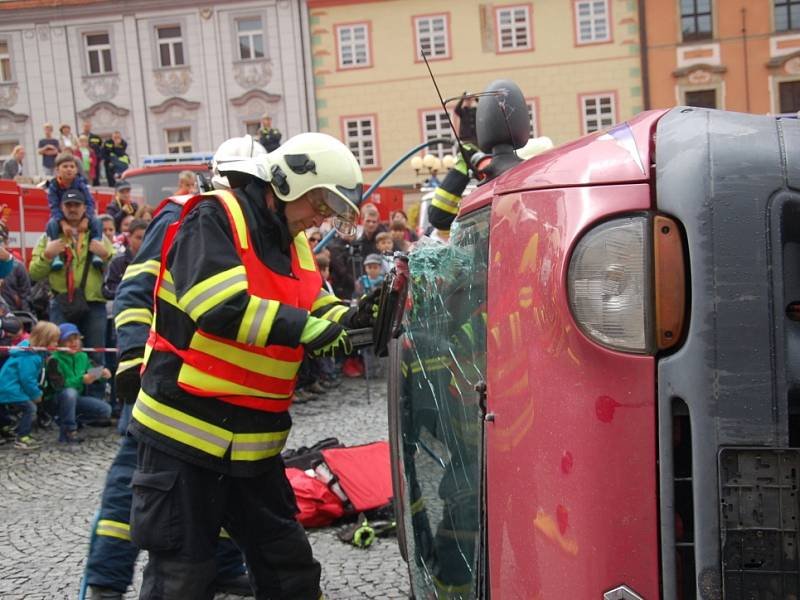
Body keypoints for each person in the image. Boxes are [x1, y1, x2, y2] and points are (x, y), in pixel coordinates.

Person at [128, 132, 377, 599]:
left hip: (254, 448)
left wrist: (358, 319)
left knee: (291, 575)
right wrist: (307, 330)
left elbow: (318, 306)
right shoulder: (214, 216)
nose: (322, 216)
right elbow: (218, 304)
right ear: (287, 182)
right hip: (183, 437)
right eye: (321, 201)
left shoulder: (295, 242)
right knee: (180, 581)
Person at [83, 135, 273, 599]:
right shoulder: (185, 212)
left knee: (222, 481)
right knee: (133, 488)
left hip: (216, 386)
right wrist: (132, 361)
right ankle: (105, 585)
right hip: (162, 382)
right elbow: (134, 292)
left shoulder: (257, 228)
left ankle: (225, 567)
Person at [29, 187, 113, 377]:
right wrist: (47, 256)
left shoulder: (98, 236)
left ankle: (96, 400)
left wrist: (106, 255)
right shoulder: (49, 236)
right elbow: (34, 273)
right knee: (59, 353)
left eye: (77, 205)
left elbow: (117, 271)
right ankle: (65, 396)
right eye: (68, 205)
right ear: (61, 208)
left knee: (95, 354)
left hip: (94, 303)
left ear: (85, 208)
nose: (73, 209)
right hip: (61, 303)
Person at [45, 322, 112, 443]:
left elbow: (92, 371)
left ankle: (72, 419)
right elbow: (59, 386)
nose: (74, 343)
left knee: (105, 410)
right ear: (60, 342)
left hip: (75, 399)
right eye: (68, 340)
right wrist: (82, 379)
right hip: (54, 400)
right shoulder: (54, 359)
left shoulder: (82, 356)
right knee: (70, 393)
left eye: (76, 339)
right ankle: (68, 431)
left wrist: (102, 374)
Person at [0, 321, 61, 449]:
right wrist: (35, 394)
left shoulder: (32, 352)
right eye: (54, 341)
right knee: (30, 408)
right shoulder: (29, 357)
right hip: (10, 388)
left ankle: (11, 430)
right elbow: (27, 379)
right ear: (44, 340)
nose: (56, 344)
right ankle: (22, 437)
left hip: (11, 387)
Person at [45, 153, 104, 270]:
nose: (69, 169)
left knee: (97, 222)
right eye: (65, 166)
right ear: (57, 170)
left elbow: (90, 203)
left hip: (82, 217)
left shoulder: (81, 184)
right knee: (51, 224)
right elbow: (54, 207)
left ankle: (96, 253)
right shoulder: (53, 186)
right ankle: (56, 256)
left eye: (72, 167)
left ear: (76, 169)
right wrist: (63, 223)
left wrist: (86, 219)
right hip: (61, 217)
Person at [102, 219, 146, 301]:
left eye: (146, 238)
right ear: (129, 237)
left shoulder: (154, 261)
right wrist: (130, 291)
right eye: (139, 238)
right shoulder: (117, 262)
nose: (142, 242)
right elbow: (107, 289)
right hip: (121, 308)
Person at [81, 120, 104, 186]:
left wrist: (99, 158)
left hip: (94, 160)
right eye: (85, 126)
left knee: (95, 177)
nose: (87, 127)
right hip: (84, 160)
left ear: (90, 127)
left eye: (88, 126)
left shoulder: (96, 137)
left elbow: (100, 147)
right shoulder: (79, 136)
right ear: (82, 127)